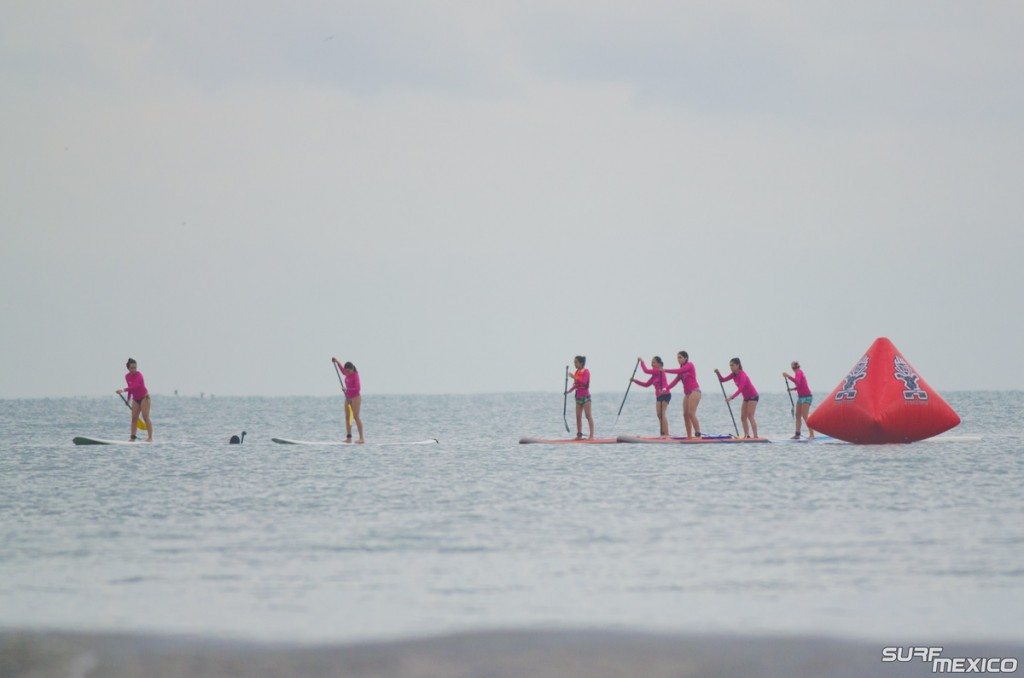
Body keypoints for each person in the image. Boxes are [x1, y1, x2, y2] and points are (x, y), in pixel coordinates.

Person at [715, 358, 759, 438]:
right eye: (730, 366)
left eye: (732, 365)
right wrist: (718, 373)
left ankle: (756, 436)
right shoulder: (733, 374)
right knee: (743, 417)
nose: (731, 367)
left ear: (738, 365)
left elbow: (740, 389)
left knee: (750, 415)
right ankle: (747, 435)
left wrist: (731, 398)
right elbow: (722, 380)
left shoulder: (742, 375)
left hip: (753, 396)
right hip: (746, 398)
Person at [665, 350, 702, 438]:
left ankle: (698, 433)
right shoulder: (681, 371)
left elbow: (680, 370)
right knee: (685, 414)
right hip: (687, 394)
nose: (678, 359)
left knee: (691, 413)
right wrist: (666, 389)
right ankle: (689, 436)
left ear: (685, 358)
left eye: (680, 357)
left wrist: (665, 370)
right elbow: (675, 382)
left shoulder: (689, 365)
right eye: (678, 358)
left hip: (695, 391)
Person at [116, 358, 152, 442]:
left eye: (135, 367)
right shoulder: (127, 376)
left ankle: (150, 438)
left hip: (144, 398)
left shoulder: (139, 375)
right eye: (132, 368)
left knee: (145, 416)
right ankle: (132, 438)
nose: (134, 369)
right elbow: (130, 389)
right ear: (128, 368)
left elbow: (135, 386)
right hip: (135, 399)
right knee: (134, 418)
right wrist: (128, 399)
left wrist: (122, 390)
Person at [633, 356, 671, 436]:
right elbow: (646, 385)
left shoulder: (658, 370)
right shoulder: (654, 375)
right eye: (651, 363)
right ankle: (663, 434)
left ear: (659, 364)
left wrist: (642, 362)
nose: (652, 364)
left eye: (654, 362)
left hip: (665, 394)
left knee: (662, 414)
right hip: (658, 396)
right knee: (659, 415)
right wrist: (635, 381)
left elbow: (645, 371)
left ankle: (666, 434)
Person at [332, 357, 364, 443]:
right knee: (347, 417)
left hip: (356, 398)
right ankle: (349, 438)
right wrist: (337, 362)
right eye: (346, 371)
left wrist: (347, 389)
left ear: (352, 369)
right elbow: (342, 370)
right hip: (348, 398)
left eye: (349, 371)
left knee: (355, 417)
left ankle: (362, 438)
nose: (347, 373)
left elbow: (358, 389)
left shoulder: (355, 376)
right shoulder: (346, 373)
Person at [783, 361, 815, 439]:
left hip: (807, 397)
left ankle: (812, 434)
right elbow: (800, 385)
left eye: (795, 367)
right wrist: (792, 389)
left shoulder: (799, 373)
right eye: (793, 368)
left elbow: (797, 382)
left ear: (797, 367)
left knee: (804, 416)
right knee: (797, 415)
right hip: (800, 397)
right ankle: (797, 434)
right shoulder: (798, 373)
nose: (794, 369)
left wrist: (788, 376)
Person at [565, 355, 594, 439]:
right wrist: (569, 391)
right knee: (578, 417)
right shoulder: (577, 372)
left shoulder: (586, 371)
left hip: (586, 397)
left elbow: (583, 382)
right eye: (574, 362)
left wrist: (574, 377)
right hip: (578, 397)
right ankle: (579, 435)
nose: (575, 364)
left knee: (588, 416)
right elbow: (576, 384)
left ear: (581, 363)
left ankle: (591, 436)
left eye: (576, 362)